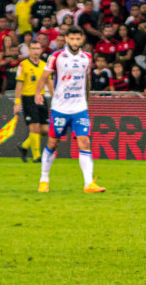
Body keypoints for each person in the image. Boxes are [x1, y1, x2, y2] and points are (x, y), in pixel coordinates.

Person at [34, 26, 105, 193]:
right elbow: (44, 76)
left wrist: (87, 100)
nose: (75, 42)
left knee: (85, 142)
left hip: (80, 108)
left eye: (77, 39)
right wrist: (38, 93)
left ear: (82, 40)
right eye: (71, 38)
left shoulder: (86, 58)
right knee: (53, 142)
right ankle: (44, 179)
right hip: (60, 108)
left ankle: (88, 184)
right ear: (66, 39)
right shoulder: (56, 56)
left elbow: (87, 80)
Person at [15, 41, 51, 163]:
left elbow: (49, 81)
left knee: (45, 130)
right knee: (34, 127)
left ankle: (24, 146)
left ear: (41, 50)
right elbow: (19, 84)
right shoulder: (23, 65)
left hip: (41, 98)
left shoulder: (44, 65)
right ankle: (37, 157)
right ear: (29, 50)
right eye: (33, 48)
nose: (36, 51)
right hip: (28, 98)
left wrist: (54, 96)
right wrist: (17, 102)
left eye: (38, 48)